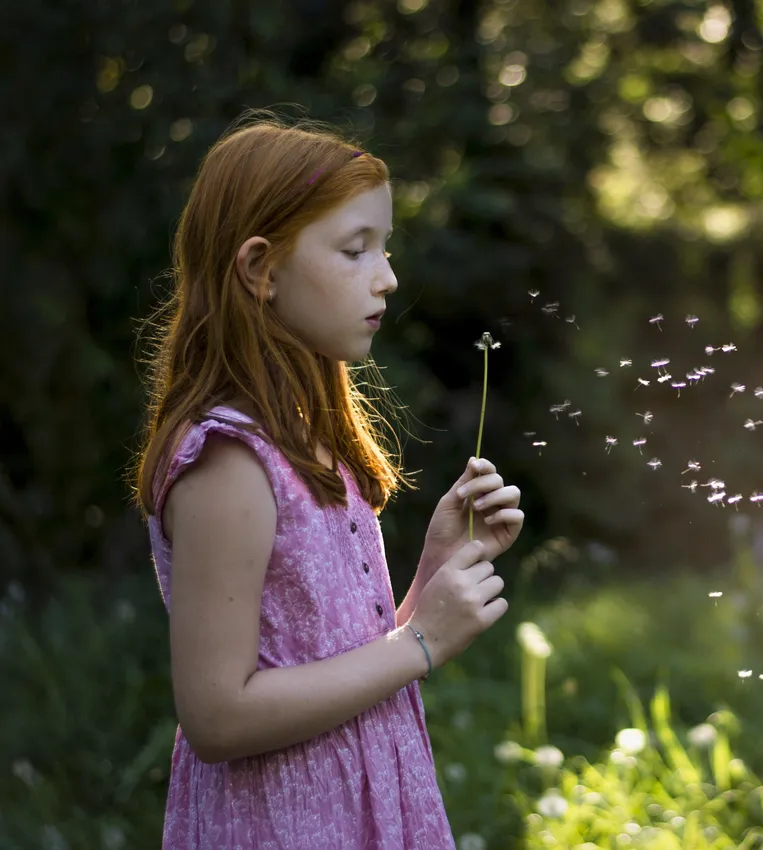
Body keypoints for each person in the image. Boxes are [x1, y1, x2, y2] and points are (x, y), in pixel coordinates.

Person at [130, 112, 523, 849]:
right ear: (260, 269)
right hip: (281, 824)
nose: (389, 277)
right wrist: (421, 645)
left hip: (363, 808)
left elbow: (336, 660)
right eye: (355, 249)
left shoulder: (306, 441)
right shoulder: (229, 464)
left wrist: (431, 573)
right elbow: (217, 717)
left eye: (386, 247)